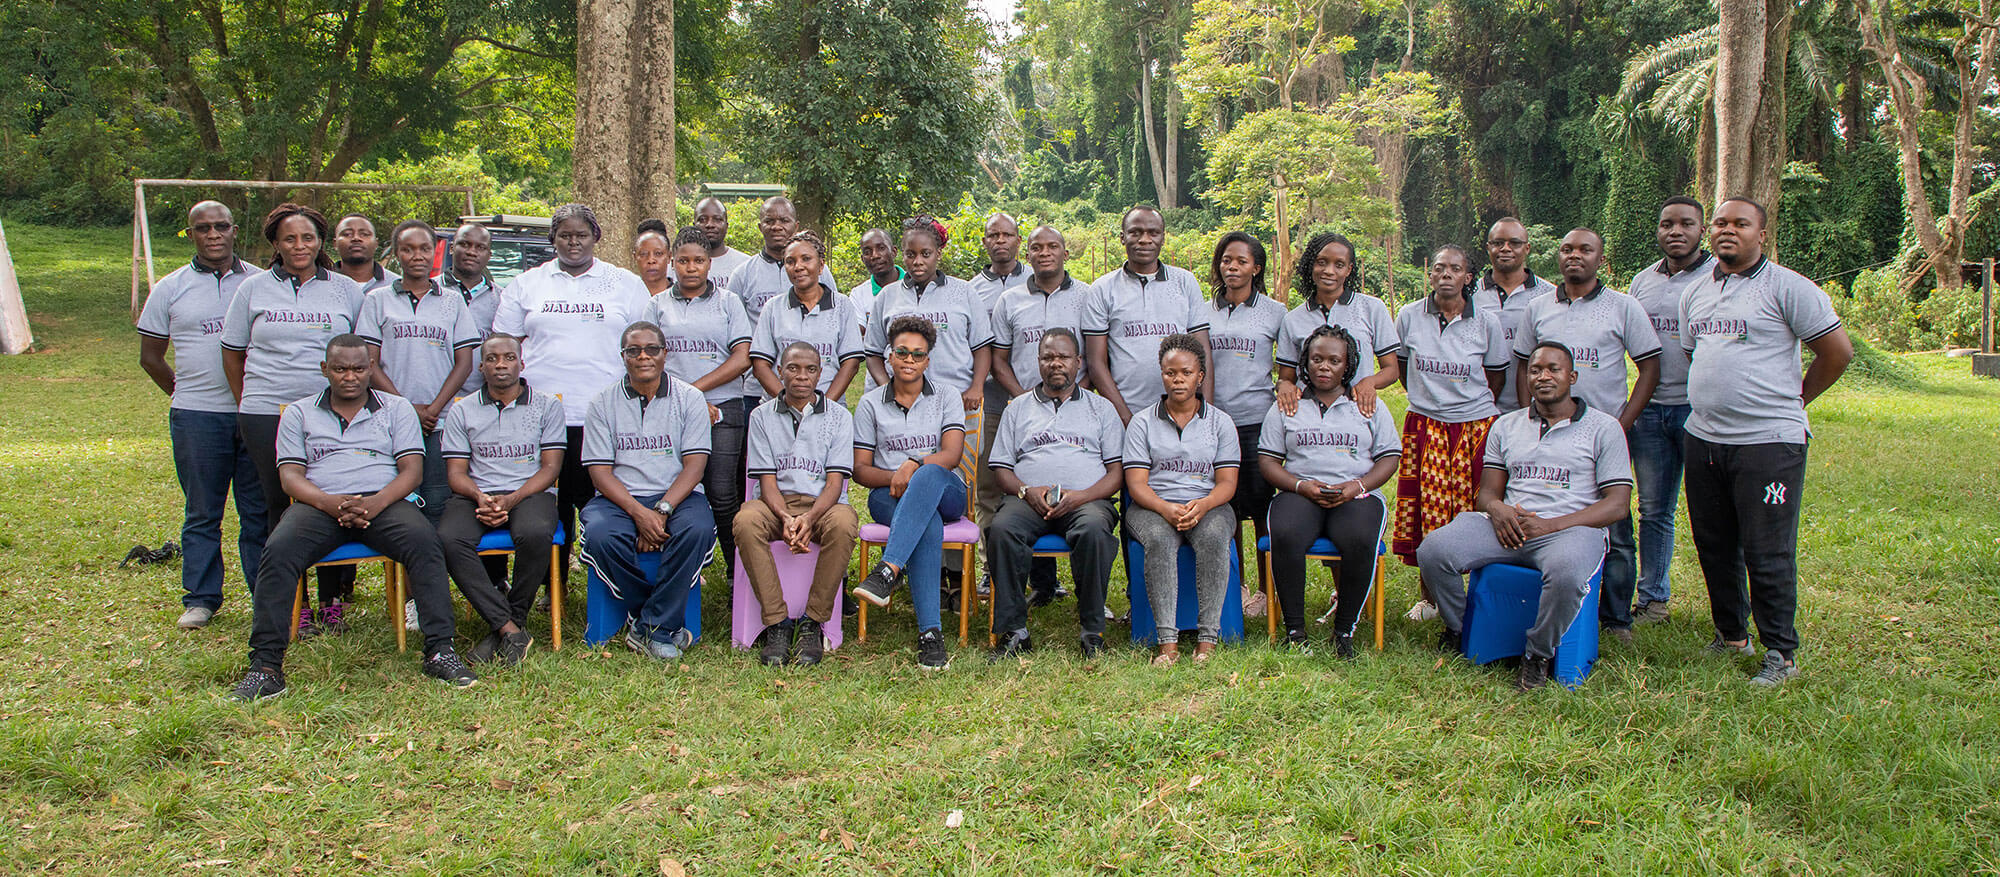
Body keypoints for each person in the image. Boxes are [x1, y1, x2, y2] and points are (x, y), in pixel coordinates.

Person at [225, 335, 474, 701]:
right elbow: (290, 477)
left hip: (385, 503)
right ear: (325, 369)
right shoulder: (299, 412)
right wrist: (329, 504)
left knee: (425, 542)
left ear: (371, 369)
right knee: (277, 551)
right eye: (340, 369)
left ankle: (440, 651)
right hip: (319, 505)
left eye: (359, 368)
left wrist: (375, 504)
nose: (350, 377)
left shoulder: (396, 408)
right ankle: (265, 668)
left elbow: (411, 471)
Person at [1679, 196, 1851, 686]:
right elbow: (1697, 354)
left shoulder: (1789, 288)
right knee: (1714, 542)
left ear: (1762, 234)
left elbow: (1837, 353)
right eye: (1721, 222)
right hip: (1705, 438)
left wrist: (1794, 401)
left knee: (1766, 547)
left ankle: (1781, 653)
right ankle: (1731, 635)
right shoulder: (1697, 292)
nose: (1727, 230)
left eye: (1741, 223)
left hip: (1768, 444)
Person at [1416, 342, 1635, 692]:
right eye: (1535, 370)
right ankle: (1459, 629)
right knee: (1433, 551)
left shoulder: (1603, 428)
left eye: (1554, 369)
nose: (1543, 376)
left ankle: (1537, 655)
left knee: (1566, 574)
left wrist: (1552, 525)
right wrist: (1498, 509)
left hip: (1570, 529)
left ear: (1572, 377)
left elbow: (1618, 505)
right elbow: (1487, 491)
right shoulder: (1507, 425)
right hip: (1509, 528)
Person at [220, 202, 366, 634]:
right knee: (280, 507)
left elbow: (361, 352)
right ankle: (294, 606)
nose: (299, 246)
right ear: (275, 245)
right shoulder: (252, 288)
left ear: (321, 242)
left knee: (329, 501)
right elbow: (232, 350)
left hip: (329, 413)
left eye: (307, 238)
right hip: (266, 413)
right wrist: (246, 399)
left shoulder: (345, 290)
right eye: (289, 239)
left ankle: (332, 602)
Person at [1513, 228, 1660, 643]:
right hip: (1547, 435)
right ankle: (1546, 600)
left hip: (1601, 434)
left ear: (1600, 258)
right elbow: (1523, 364)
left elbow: (1649, 367)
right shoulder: (1538, 307)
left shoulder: (1623, 307)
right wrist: (1527, 416)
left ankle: (1615, 620)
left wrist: (1621, 423)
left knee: (1615, 527)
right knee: (1548, 507)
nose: (1574, 256)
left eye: (1585, 250)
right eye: (1567, 249)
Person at [491, 203, 652, 582]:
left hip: (605, 415)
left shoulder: (625, 283)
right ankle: (553, 588)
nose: (573, 242)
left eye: (581, 235)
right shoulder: (527, 284)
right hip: (539, 418)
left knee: (602, 502)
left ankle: (607, 583)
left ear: (596, 237)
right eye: (565, 235)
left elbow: (646, 344)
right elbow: (505, 344)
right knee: (550, 505)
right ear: (553, 239)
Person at [138, 200, 269, 630]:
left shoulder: (260, 282)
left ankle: (264, 593)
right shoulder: (170, 288)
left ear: (235, 231)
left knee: (259, 511)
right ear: (191, 234)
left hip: (254, 414)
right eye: (203, 228)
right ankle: (201, 599)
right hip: (197, 416)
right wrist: (185, 393)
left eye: (221, 227)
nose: (213, 234)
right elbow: (151, 357)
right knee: (202, 512)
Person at [1258, 325, 1402, 657]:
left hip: (1355, 493)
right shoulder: (1287, 403)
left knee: (1356, 537)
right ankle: (1296, 631)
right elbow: (1267, 460)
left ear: (1348, 364)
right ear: (1305, 363)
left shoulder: (1367, 404)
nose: (1324, 366)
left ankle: (1344, 631)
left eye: (1334, 360)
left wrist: (1357, 486)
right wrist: (1299, 486)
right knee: (1287, 533)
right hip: (1299, 491)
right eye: (1316, 359)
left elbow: (1389, 457)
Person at [578, 321, 716, 661]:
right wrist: (640, 514)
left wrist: (663, 509)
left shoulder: (690, 398)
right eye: (633, 351)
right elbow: (599, 472)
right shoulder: (602, 402)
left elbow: (695, 465)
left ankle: (649, 625)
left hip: (677, 497)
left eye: (651, 349)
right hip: (619, 499)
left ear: (664, 354)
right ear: (623, 357)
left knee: (697, 529)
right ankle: (657, 621)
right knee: (599, 533)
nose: (643, 356)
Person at [984, 329, 1124, 660]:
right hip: (1028, 500)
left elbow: (1117, 473)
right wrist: (1025, 490)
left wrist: (1083, 496)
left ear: (1078, 362)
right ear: (1038, 363)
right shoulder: (1017, 408)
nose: (1055, 364)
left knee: (1092, 530)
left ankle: (1092, 631)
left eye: (1063, 357)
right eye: (1048, 357)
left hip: (1086, 501)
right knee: (1001, 529)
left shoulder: (1101, 408)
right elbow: (1002, 468)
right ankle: (1014, 630)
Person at [437, 334, 565, 665]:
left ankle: (511, 620)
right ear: (481, 367)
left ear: (521, 363)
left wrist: (512, 498)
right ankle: (508, 627)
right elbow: (456, 474)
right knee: (449, 539)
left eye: (509, 357)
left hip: (529, 492)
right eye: (492, 359)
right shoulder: (462, 410)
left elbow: (551, 468)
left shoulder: (547, 405)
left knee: (535, 533)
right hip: (475, 494)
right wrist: (480, 496)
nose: (501, 365)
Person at [849, 317, 967, 671]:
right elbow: (860, 469)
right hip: (889, 495)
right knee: (925, 521)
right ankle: (931, 635)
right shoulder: (870, 404)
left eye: (918, 354)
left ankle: (889, 568)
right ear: (889, 356)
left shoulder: (946, 396)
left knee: (930, 473)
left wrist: (913, 466)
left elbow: (952, 455)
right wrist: (898, 477)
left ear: (928, 360)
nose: (909, 360)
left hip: (947, 492)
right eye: (902, 352)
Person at [736, 342, 860, 667]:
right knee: (746, 519)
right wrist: (785, 517)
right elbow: (766, 483)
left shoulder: (840, 417)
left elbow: (835, 484)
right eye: (793, 368)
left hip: (822, 506)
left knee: (845, 522)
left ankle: (812, 622)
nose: (801, 376)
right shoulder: (761, 416)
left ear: (820, 373)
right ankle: (777, 622)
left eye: (810, 369)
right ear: (780, 372)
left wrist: (808, 517)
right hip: (776, 505)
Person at [1391, 245, 1509, 570]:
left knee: (1479, 509)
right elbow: (1402, 367)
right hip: (1424, 424)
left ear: (1467, 277)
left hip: (1476, 426)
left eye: (1455, 269)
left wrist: (1466, 406)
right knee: (1427, 512)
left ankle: (1478, 592)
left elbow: (1496, 377)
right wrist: (1428, 397)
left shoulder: (1486, 322)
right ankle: (1429, 597)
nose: (1446, 274)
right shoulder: (1409, 316)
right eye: (1440, 268)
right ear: (1430, 275)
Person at [1123, 334, 1239, 665]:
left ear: (1200, 376)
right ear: (1162, 374)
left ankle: (1207, 640)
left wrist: (1202, 506)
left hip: (1209, 504)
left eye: (1186, 373)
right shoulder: (1142, 423)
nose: (1178, 380)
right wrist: (1165, 508)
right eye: (1170, 372)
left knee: (1216, 537)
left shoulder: (1221, 423)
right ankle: (1167, 642)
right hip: (1152, 506)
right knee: (1159, 540)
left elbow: (1227, 483)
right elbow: (1136, 484)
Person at [645, 224, 753, 579]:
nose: (691, 268)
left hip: (723, 408)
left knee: (723, 494)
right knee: (673, 490)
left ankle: (740, 575)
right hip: (667, 409)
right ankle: (680, 569)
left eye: (699, 261)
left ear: (710, 264)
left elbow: (741, 359)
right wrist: (687, 400)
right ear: (673, 263)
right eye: (683, 261)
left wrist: (692, 393)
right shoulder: (657, 304)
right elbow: (645, 359)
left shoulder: (729, 302)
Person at [356, 219, 479, 527]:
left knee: (438, 500)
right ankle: (407, 575)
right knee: (401, 506)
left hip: (441, 421)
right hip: (391, 420)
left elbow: (464, 362)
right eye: (408, 250)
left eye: (424, 248)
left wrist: (434, 409)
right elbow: (370, 363)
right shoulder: (377, 300)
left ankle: (432, 574)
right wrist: (405, 409)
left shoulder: (451, 301)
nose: (417, 256)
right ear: (397, 254)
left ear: (435, 251)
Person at [988, 225, 1087, 603]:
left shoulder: (1086, 296)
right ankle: (1042, 585)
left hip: (1076, 406)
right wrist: (1024, 399)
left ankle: (1084, 589)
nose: (1045, 253)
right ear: (1026, 255)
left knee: (1069, 476)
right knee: (1031, 480)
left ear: (1065, 252)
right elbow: (999, 360)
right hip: (1020, 409)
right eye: (1036, 247)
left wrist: (1080, 395)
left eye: (1053, 246)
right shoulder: (1009, 301)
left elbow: (1094, 354)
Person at [1623, 196, 1711, 625]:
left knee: (1712, 510)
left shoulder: (1721, 277)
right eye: (1667, 224)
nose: (1675, 232)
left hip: (1702, 413)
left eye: (1686, 224)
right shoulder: (1642, 283)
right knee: (1654, 508)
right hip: (1652, 412)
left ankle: (1727, 608)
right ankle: (1653, 598)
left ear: (1702, 230)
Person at [1201, 231, 1283, 615]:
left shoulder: (1275, 312)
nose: (1231, 267)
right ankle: (1235, 585)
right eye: (1225, 260)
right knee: (1226, 511)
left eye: (1240, 261)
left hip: (1257, 423)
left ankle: (1267, 593)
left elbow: (1290, 368)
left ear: (1257, 267)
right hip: (1215, 424)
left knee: (1263, 510)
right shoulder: (1201, 311)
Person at [1083, 205, 1212, 424]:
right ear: (1122, 238)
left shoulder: (1185, 282)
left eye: (1153, 233)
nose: (1145, 239)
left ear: (1163, 238)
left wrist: (1204, 413)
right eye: (1135, 232)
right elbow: (1096, 363)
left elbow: (1203, 353)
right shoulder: (1103, 289)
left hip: (1182, 413)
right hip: (1125, 413)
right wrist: (1125, 417)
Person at [1276, 231, 1399, 418]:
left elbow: (1391, 370)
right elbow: (1287, 377)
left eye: (1339, 265)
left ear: (1349, 270)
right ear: (1311, 265)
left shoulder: (1371, 308)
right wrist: (1283, 385)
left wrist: (1369, 382)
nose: (1329, 271)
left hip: (1358, 413)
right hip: (1309, 417)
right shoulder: (1293, 319)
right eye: (1322, 262)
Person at [749, 230, 865, 403]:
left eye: (806, 259)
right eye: (790, 261)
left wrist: (823, 406)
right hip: (780, 407)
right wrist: (790, 404)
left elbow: (851, 364)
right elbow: (760, 365)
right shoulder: (773, 307)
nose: (798, 266)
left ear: (821, 265)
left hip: (829, 405)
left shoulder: (842, 305)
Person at [1475, 217, 1557, 414]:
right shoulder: (1469, 296)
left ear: (1527, 248)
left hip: (1535, 408)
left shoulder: (1550, 296)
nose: (1505, 248)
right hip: (1478, 409)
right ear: (1488, 247)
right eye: (1497, 243)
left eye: (1514, 243)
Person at [442, 223, 501, 395]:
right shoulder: (431, 291)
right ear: (452, 248)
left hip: (482, 399)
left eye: (480, 247)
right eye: (465, 244)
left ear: (489, 255)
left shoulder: (502, 299)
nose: (471, 252)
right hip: (434, 400)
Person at [845, 228, 903, 340]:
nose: (875, 256)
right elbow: (854, 335)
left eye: (881, 248)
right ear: (862, 259)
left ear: (894, 251)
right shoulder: (858, 294)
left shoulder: (914, 286)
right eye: (867, 252)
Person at [693, 196, 752, 288]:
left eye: (717, 219)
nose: (710, 225)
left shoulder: (746, 265)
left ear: (726, 226)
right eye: (703, 219)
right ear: (694, 225)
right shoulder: (680, 266)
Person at [332, 214, 392, 294]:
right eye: (347, 234)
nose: (356, 238)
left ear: (376, 243)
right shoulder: (321, 285)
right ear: (335, 244)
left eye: (364, 234)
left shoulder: (396, 285)